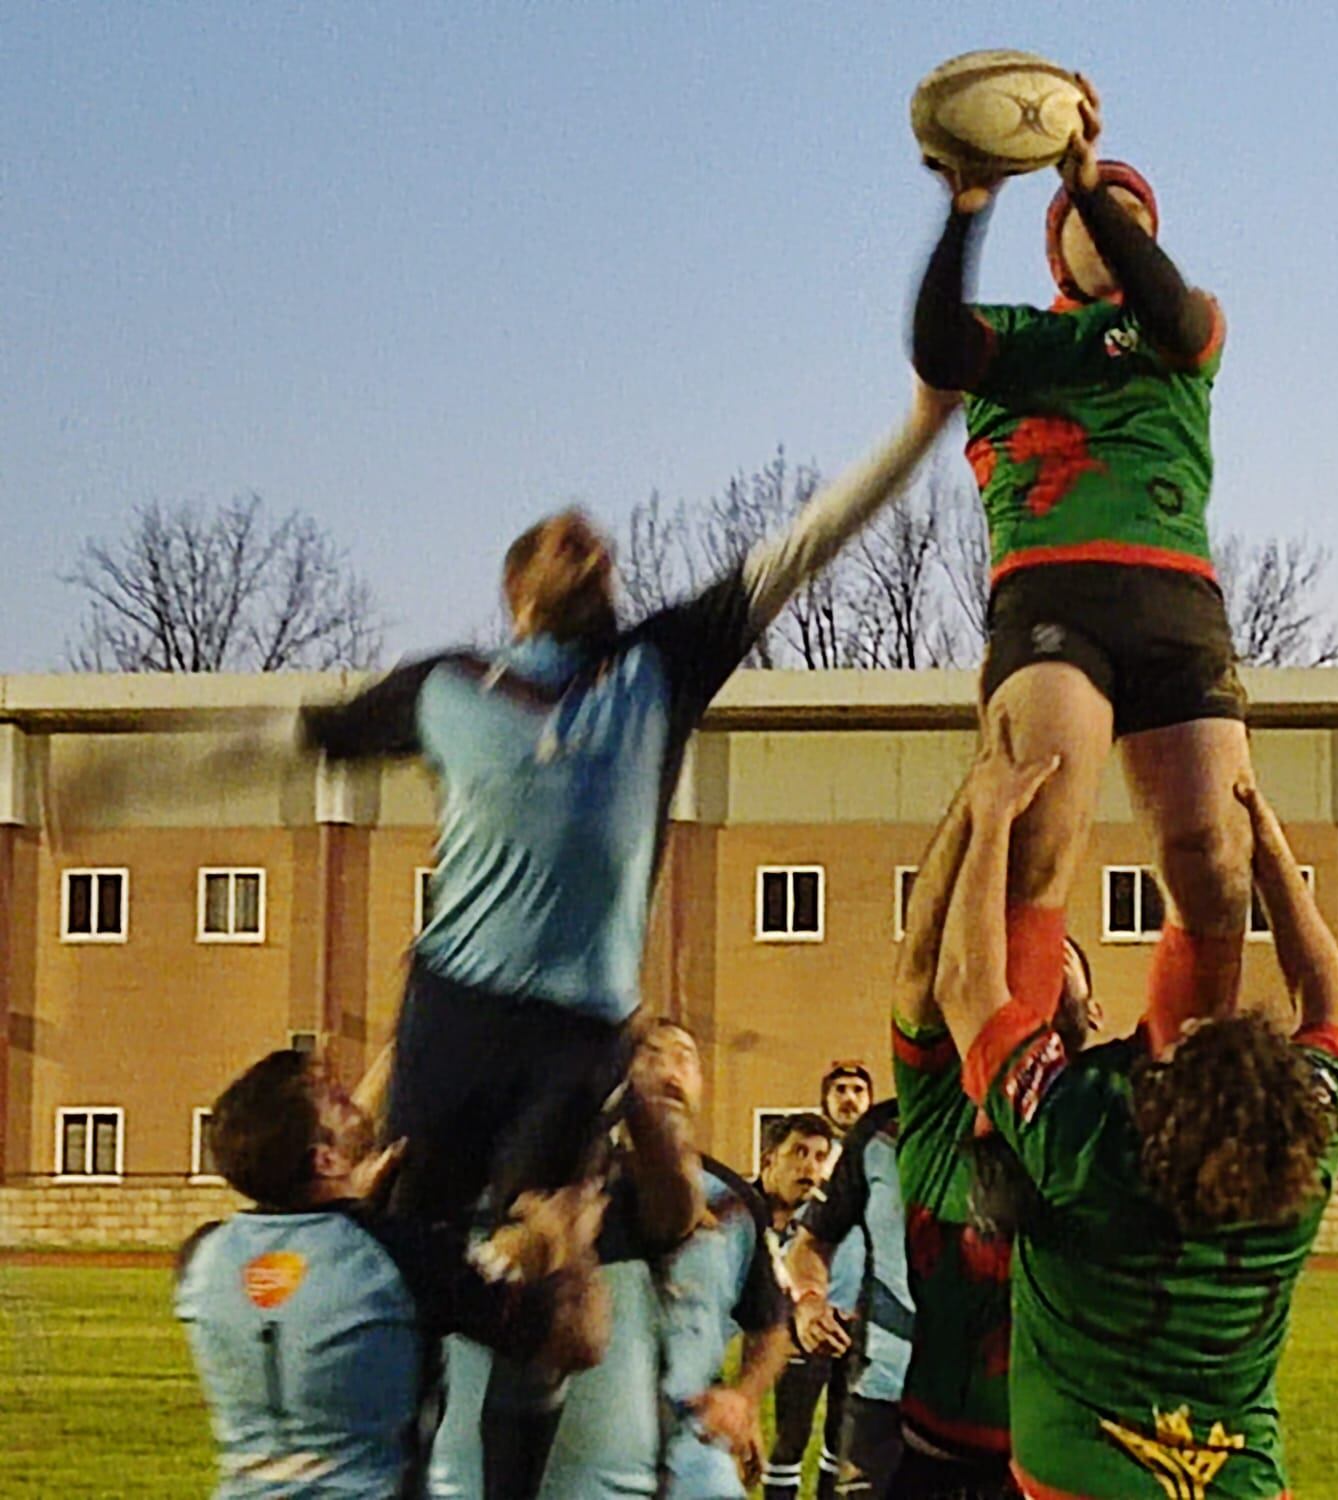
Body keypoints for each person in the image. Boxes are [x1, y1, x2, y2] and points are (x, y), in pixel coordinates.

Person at [285, 386, 952, 1495]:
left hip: (578, 1033)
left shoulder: (660, 664)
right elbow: (295, 740)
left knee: (546, 1288)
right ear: (516, 589)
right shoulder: (447, 687)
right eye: (565, 539)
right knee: (406, 1257)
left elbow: (802, 545)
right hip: (453, 1009)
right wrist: (128, 774)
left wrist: (922, 425)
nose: (590, 543)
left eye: (599, 544)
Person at [912, 79, 1250, 1053]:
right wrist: (966, 209)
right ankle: (1013, 1094)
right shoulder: (1019, 339)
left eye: (1134, 219)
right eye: (1091, 218)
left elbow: (1169, 307)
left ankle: (1183, 1079)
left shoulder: (1185, 327)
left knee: (1215, 860)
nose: (1114, 229)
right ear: (1054, 248)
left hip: (1176, 600)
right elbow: (935, 345)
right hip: (1051, 591)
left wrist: (1088, 183)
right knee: (1036, 833)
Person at [934, 737, 1338, 1500]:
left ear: (1158, 1116)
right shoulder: (1305, 1155)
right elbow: (1329, 996)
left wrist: (990, 820)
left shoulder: (1088, 1144)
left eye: (1179, 1056)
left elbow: (966, 985)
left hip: (1081, 1481)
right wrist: (1267, 858)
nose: (1182, 1029)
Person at [174, 1049, 613, 1497]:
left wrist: (351, 1205)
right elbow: (577, 1342)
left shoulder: (202, 1257)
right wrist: (572, 1243)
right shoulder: (398, 1254)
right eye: (337, 1100)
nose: (354, 1101)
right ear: (324, 1160)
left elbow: (306, 1281)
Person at [429, 1021, 785, 1498]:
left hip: (693, 1452)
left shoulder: (732, 1202)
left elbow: (770, 1322)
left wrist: (744, 1397)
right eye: (651, 1054)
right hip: (576, 1457)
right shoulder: (570, 1188)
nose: (670, 1072)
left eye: (684, 1058)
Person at [886, 779, 1099, 1499]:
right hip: (935, 1455)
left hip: (1055, 1465)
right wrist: (982, 810)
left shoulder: (1105, 1125)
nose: (1037, 980)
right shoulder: (939, 1102)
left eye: (1061, 970)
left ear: (1094, 1013)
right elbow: (924, 960)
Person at [787, 1092, 916, 1499]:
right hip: (884, 1395)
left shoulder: (1037, 1112)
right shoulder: (879, 1130)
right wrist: (810, 1301)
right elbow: (811, 1243)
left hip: (1004, 1408)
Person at [755, 1112, 840, 1500]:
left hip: (826, 1332)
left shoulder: (822, 1224)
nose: (810, 1167)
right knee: (789, 1437)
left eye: (820, 1157)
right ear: (769, 1159)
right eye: (799, 1153)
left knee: (838, 1438)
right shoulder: (739, 1214)